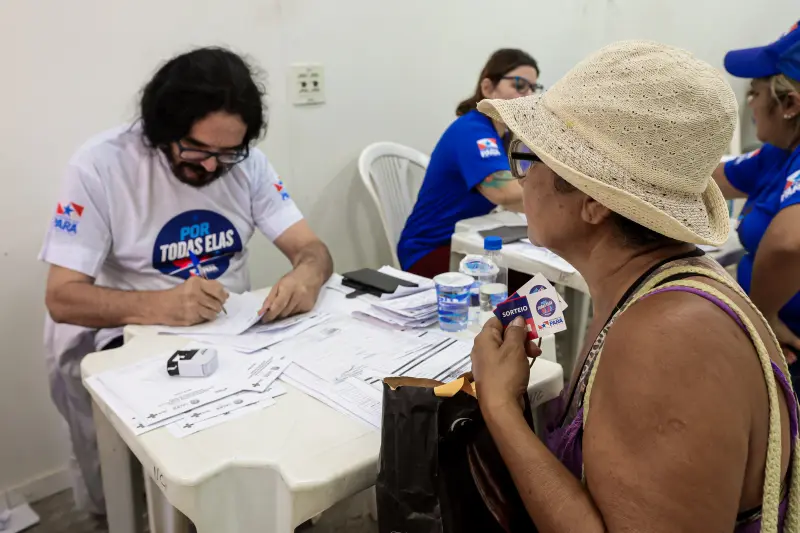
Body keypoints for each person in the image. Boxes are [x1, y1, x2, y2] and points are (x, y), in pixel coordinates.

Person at [470, 41, 799, 531]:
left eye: (531, 156)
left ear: (594, 201)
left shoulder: (668, 339)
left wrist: (500, 407)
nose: (525, 178)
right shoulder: (645, 292)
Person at [39, 47, 333, 516]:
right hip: (131, 337)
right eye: (197, 149)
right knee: (157, 484)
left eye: (228, 153)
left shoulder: (250, 165)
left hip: (229, 334)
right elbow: (62, 298)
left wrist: (306, 276)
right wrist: (161, 305)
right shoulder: (100, 166)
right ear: (162, 129)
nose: (213, 167)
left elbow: (312, 249)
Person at [397, 48, 541, 278]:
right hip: (430, 250)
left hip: (467, 240)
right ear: (487, 87)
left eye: (534, 88)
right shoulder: (473, 131)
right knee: (533, 279)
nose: (528, 96)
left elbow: (520, 196)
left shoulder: (503, 135)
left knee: (537, 274)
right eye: (519, 85)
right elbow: (504, 192)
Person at [713, 21, 800, 389]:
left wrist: (762, 316)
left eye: (755, 92)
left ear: (790, 104)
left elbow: (789, 243)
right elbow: (709, 177)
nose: (750, 103)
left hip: (788, 345)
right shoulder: (777, 153)